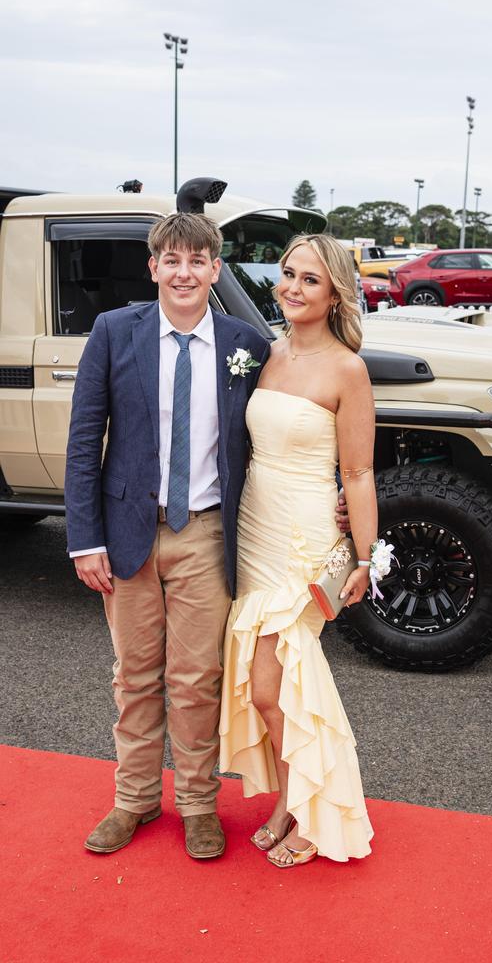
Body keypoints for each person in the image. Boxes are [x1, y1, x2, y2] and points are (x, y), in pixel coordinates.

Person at [65, 212, 270, 859]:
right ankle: (133, 800)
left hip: (205, 535)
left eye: (198, 261)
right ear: (153, 268)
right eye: (171, 261)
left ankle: (199, 805)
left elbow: (268, 441)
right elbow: (82, 442)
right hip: (127, 533)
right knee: (133, 676)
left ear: (215, 269)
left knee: (195, 679)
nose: (184, 273)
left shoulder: (246, 344)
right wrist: (83, 539)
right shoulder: (113, 332)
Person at [219, 233, 376, 868]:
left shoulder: (348, 369)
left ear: (334, 290)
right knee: (271, 688)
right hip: (254, 531)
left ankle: (313, 813)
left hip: (305, 539)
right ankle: (291, 801)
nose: (293, 287)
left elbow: (359, 474)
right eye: (288, 274)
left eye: (310, 279)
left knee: (273, 684)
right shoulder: (266, 352)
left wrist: (365, 557)